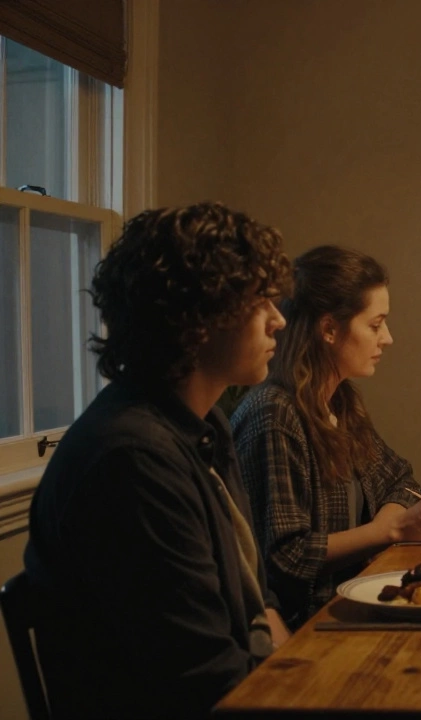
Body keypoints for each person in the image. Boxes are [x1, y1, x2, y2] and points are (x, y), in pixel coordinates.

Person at [23, 202, 294, 717]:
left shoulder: (201, 424)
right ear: (198, 316)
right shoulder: (132, 460)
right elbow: (203, 680)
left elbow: (257, 601)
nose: (279, 319)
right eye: (260, 301)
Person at [231, 246, 421, 629]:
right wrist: (391, 529)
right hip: (308, 626)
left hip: (356, 604)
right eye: (375, 325)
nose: (387, 338)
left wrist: (394, 523)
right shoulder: (275, 414)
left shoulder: (339, 400)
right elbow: (285, 558)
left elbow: (401, 480)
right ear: (329, 329)